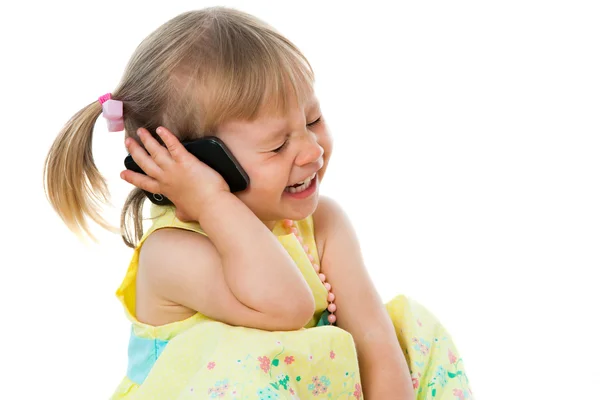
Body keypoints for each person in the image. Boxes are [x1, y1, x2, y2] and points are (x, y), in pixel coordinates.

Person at [44, 6, 472, 399]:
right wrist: (212, 200)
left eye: (313, 120)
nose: (311, 151)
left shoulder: (323, 223)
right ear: (199, 161)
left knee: (412, 338)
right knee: (243, 358)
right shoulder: (171, 252)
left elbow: (372, 338)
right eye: (277, 145)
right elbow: (288, 306)